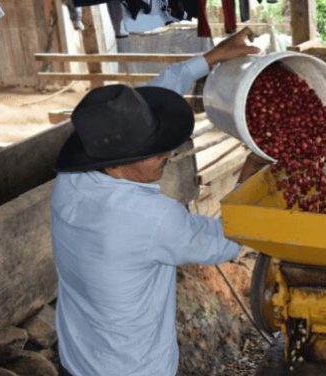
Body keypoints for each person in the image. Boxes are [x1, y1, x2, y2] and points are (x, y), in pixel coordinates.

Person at [51, 28, 268, 376]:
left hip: (77, 358)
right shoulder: (147, 218)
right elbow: (225, 241)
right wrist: (251, 173)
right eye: (154, 152)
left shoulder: (73, 181)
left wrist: (211, 58)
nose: (168, 153)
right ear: (116, 163)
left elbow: (146, 100)